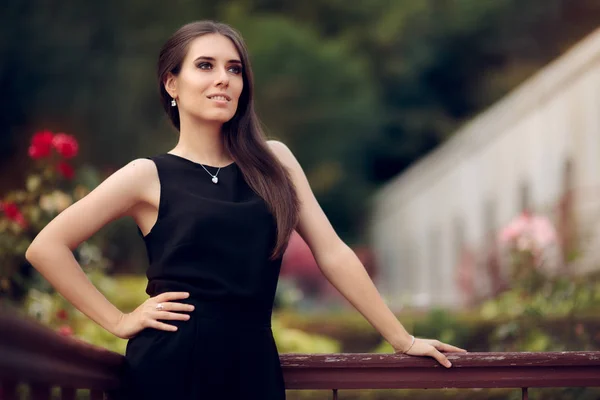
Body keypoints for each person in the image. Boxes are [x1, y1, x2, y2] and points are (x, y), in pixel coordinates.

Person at [25, 20, 466, 399]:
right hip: (169, 367)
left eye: (233, 69)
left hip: (253, 364)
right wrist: (119, 321)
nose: (224, 79)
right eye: (205, 66)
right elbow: (47, 247)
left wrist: (401, 339)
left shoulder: (275, 162)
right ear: (171, 83)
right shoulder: (146, 175)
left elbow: (331, 253)